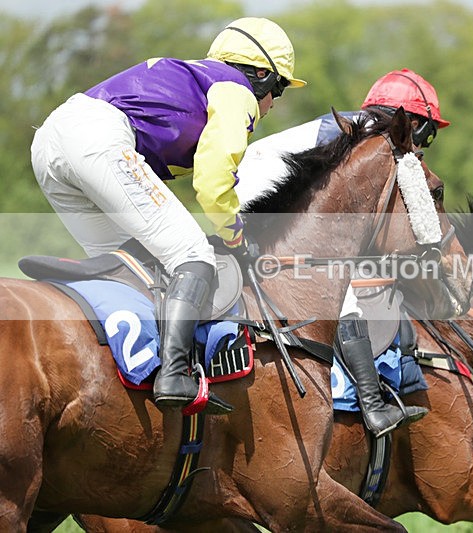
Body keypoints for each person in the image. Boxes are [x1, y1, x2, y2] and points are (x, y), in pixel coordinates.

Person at [30, 17, 306, 415]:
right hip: (96, 139)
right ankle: (175, 374)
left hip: (50, 144)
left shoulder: (201, 79)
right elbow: (213, 184)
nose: (274, 102)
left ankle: (126, 371)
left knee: (128, 268)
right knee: (193, 254)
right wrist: (234, 235)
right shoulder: (238, 92)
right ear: (261, 75)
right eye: (277, 88)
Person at [235, 69, 450, 437]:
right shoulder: (373, 139)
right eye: (427, 132)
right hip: (261, 186)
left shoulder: (364, 129)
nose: (424, 144)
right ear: (410, 121)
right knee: (342, 294)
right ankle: (372, 405)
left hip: (259, 179)